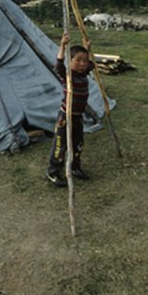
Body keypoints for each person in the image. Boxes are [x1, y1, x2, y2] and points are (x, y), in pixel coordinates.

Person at [46, 32, 93, 187]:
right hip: (65, 116)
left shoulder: (84, 74)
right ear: (70, 60)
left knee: (78, 143)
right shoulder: (68, 75)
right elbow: (58, 65)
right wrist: (62, 45)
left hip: (78, 116)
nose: (82, 64)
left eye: (84, 61)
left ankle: (75, 167)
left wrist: (87, 49)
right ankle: (53, 171)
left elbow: (90, 64)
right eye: (78, 60)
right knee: (61, 144)